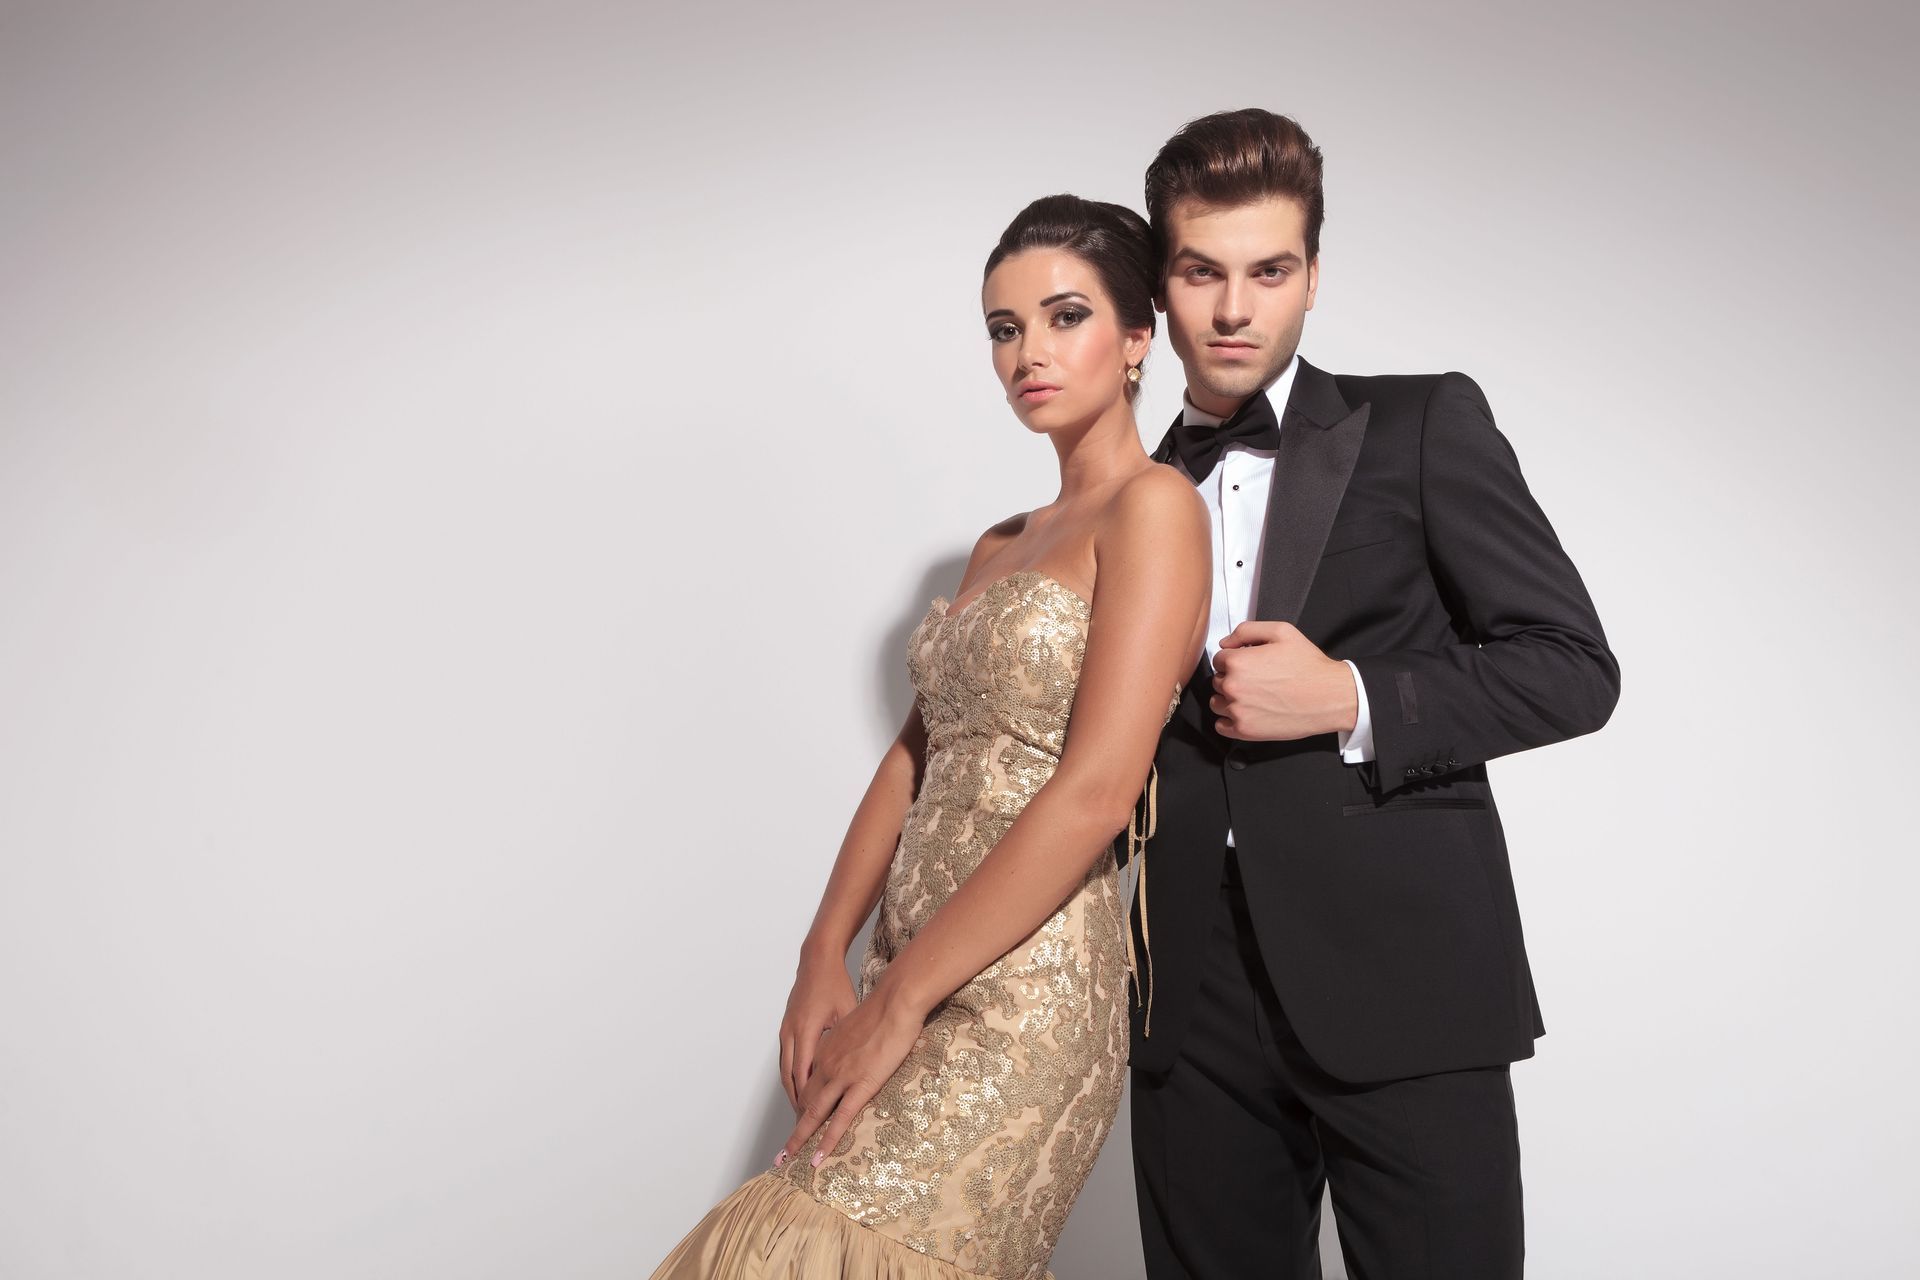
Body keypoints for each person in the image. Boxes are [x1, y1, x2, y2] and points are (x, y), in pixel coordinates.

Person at [648, 194, 1209, 1280]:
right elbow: (914, 758)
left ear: (1139, 338)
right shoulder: (1000, 544)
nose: (1028, 353)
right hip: (906, 955)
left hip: (1028, 983)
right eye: (1005, 328)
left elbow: (1100, 790)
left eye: (1065, 317)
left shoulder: (1156, 507)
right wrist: (825, 952)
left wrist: (902, 1002)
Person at [1125, 109, 1621, 1279]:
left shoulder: (1419, 423)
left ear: (1314, 277)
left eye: (1269, 271)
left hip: (1409, 971)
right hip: (1189, 993)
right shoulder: (1132, 498)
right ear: (1159, 287)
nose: (1235, 309)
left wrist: (1351, 695)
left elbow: (1572, 664)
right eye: (1201, 272)